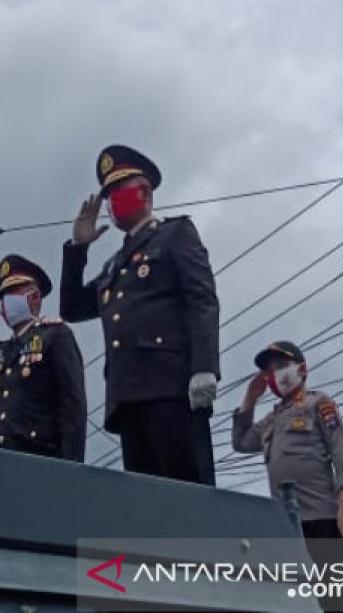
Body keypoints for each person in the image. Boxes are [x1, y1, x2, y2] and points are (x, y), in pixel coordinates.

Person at [60, 144, 219, 485]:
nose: (112, 201)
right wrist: (78, 248)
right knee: (148, 511)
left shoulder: (174, 234)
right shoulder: (113, 266)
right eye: (109, 195)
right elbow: (71, 308)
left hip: (171, 387)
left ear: (144, 191)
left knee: (188, 497)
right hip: (127, 396)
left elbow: (201, 298)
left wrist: (204, 367)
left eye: (118, 190)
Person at [232, 341, 343, 613]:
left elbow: (340, 449)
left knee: (336, 601)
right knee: (300, 603)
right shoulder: (271, 419)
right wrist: (250, 399)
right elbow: (241, 442)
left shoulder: (319, 403)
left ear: (301, 369)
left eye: (280, 366)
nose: (274, 374)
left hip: (322, 519)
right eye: (269, 370)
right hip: (287, 527)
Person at [0, 254, 87, 462]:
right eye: (4, 295)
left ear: (34, 297)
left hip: (44, 462)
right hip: (3, 466)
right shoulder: (1, 355)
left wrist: (70, 470)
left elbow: (73, 405)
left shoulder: (55, 336)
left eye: (14, 292)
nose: (6, 301)